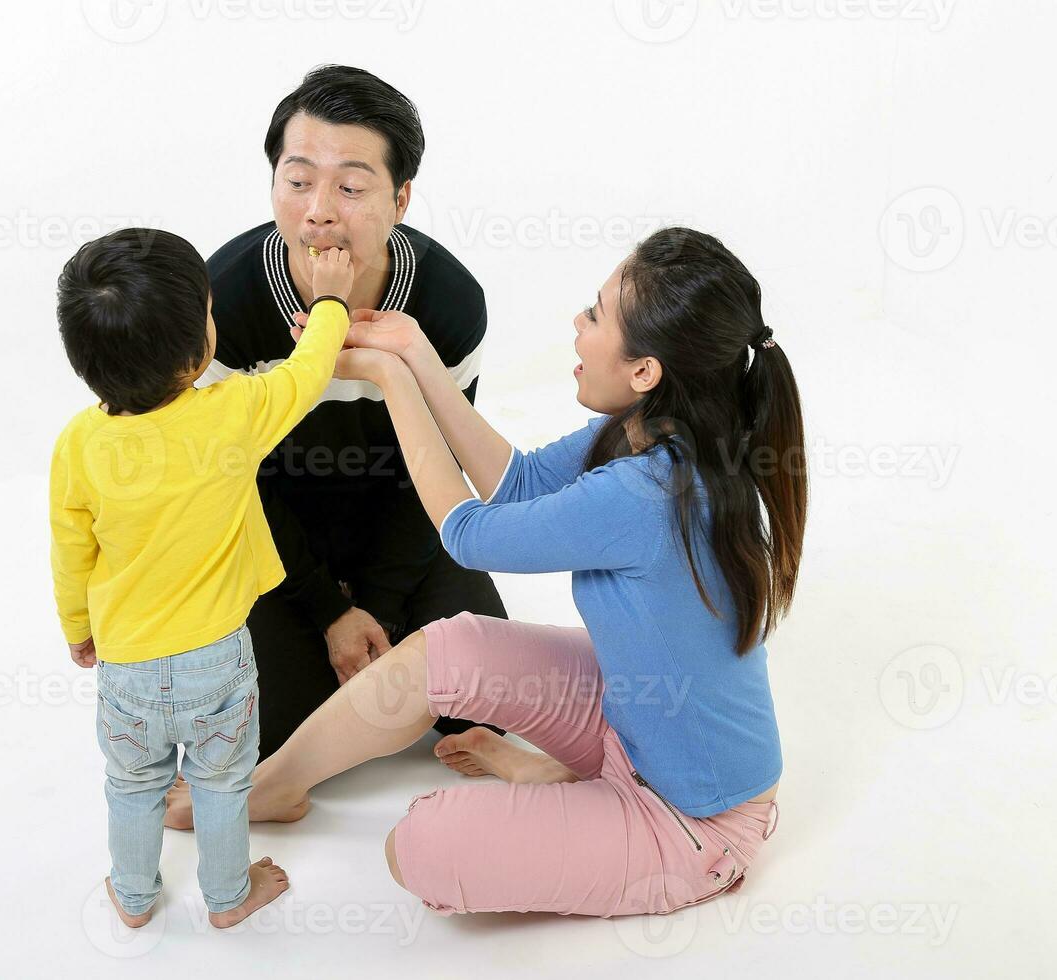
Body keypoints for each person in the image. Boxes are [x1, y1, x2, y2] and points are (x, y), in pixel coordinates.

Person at [246, 227, 806, 917]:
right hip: (630, 715)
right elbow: (519, 483)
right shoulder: (652, 428)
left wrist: (392, 381)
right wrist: (419, 355)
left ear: (645, 371)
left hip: (692, 822)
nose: (578, 322)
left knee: (418, 847)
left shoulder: (650, 491)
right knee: (454, 646)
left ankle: (569, 784)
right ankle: (273, 785)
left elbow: (468, 533)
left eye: (596, 314)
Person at [164, 64, 508, 828]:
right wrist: (327, 611)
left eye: (351, 188)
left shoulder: (448, 302)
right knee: (269, 734)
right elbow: (235, 487)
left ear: (401, 198)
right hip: (272, 543)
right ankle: (326, 690)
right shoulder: (228, 300)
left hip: (403, 528)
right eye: (298, 181)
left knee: (495, 698)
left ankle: (387, 658)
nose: (319, 212)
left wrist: (379, 604)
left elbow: (439, 476)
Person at [48, 228, 355, 928]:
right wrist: (332, 301)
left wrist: (78, 629)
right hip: (217, 660)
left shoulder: (78, 445)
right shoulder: (232, 415)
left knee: (131, 785)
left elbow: (70, 551)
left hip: (125, 664)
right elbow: (308, 372)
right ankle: (228, 896)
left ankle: (131, 898)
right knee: (221, 785)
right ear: (196, 355)